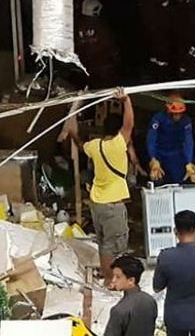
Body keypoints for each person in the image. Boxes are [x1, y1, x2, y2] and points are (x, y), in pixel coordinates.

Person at [71, 88, 134, 283]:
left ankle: (109, 277)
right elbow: (129, 124)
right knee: (112, 245)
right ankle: (110, 280)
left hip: (97, 202)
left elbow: (76, 137)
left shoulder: (94, 146)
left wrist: (75, 107)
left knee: (103, 242)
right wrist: (127, 100)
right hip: (113, 205)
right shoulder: (118, 145)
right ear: (116, 132)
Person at [147, 94, 195, 185]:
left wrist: (189, 162)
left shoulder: (186, 121)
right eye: (174, 113)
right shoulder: (158, 119)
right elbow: (151, 139)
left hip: (177, 155)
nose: (177, 116)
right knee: (157, 179)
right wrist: (153, 158)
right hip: (159, 153)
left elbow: (188, 142)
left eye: (180, 113)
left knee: (179, 181)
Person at [104, 255, 158, 336]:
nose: (113, 280)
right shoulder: (150, 301)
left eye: (118, 277)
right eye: (113, 276)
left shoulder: (119, 310)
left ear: (131, 280)